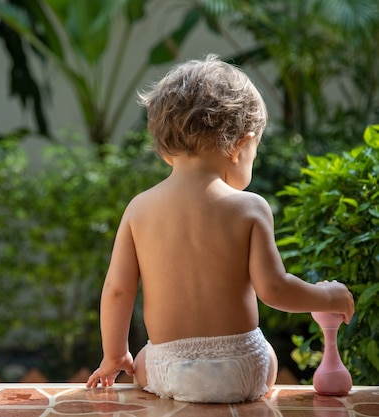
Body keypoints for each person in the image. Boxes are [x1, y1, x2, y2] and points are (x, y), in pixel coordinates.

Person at [85, 54, 355, 403]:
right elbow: (274, 289)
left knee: (143, 360)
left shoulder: (139, 208)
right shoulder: (250, 207)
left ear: (166, 150)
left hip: (169, 370)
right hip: (243, 368)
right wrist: (329, 296)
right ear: (240, 146)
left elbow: (118, 289)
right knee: (268, 355)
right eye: (254, 153)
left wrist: (115, 354)